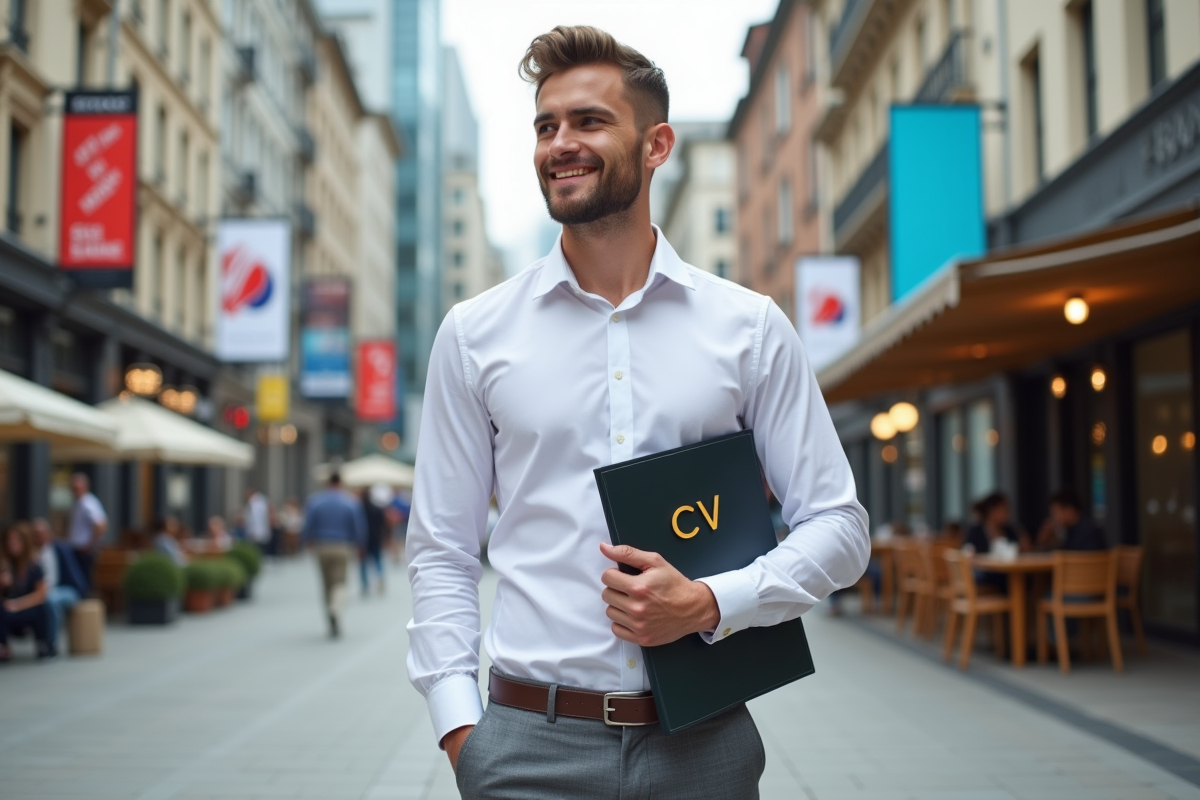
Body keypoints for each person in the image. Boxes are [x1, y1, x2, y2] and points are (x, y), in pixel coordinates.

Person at [406, 26, 870, 798]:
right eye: (546, 126)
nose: (560, 143)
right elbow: (442, 551)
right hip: (526, 745)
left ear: (657, 146)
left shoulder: (748, 328)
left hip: (704, 739)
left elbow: (840, 527)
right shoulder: (474, 334)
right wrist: (461, 733)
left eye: (589, 121)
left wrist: (712, 602)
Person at [303, 473, 367, 638]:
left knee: (326, 584)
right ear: (341, 483)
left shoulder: (316, 501)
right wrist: (360, 544)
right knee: (341, 582)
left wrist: (306, 541)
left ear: (327, 483)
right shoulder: (350, 502)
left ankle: (330, 615)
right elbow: (358, 526)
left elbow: (308, 524)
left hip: (322, 545)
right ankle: (336, 608)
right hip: (342, 546)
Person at [32, 518, 88, 650]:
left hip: (66, 589)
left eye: (40, 534)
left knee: (50, 600)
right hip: (41, 592)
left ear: (48, 534)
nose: (38, 538)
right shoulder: (31, 554)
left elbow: (74, 573)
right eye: (35, 535)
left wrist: (82, 591)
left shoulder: (61, 549)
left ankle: (51, 644)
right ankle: (41, 642)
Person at [1, 523, 55, 660]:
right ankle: (4, 647)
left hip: (27, 608)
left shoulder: (34, 566)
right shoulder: (5, 565)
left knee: (44, 607)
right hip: (7, 610)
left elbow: (41, 595)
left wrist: (17, 604)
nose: (12, 544)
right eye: (9, 540)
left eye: (16, 540)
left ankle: (43, 645)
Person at [66, 472, 107, 587]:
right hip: (77, 548)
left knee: (85, 579)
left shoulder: (88, 503)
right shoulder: (79, 503)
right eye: (73, 488)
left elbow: (100, 524)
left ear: (85, 487)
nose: (74, 491)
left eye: (77, 488)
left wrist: (90, 545)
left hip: (84, 550)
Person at [1036, 489, 1106, 551]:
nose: (1054, 518)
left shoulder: (1088, 531)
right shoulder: (1069, 531)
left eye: (1056, 512)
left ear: (1069, 510)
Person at [964, 492, 1030, 555]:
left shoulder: (1010, 531)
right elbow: (968, 552)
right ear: (992, 510)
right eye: (1004, 510)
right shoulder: (976, 532)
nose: (1008, 514)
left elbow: (1024, 550)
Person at [359, 486, 387, 596]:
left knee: (363, 564)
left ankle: (365, 585)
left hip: (363, 540)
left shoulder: (359, 509)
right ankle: (380, 578)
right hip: (376, 538)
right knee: (378, 560)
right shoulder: (377, 509)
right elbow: (383, 525)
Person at [243, 487, 271, 553]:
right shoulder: (257, 502)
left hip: (257, 530)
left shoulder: (257, 502)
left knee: (259, 548)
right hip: (256, 530)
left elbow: (255, 518)